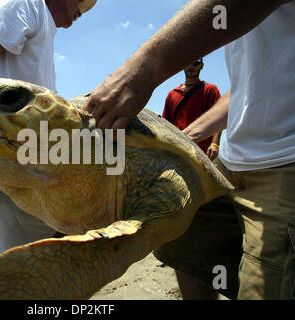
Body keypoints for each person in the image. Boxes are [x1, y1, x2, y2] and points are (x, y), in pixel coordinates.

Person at [83, 0, 294, 299]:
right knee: (182, 242)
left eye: (197, 61)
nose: (193, 65)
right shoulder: (173, 94)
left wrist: (144, 67)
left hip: (284, 159)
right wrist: (182, 138)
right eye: (190, 62)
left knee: (264, 283)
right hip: (226, 166)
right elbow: (246, 90)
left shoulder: (208, 89)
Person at [0, 0, 97, 275]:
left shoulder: (42, 26)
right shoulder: (27, 3)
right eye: (78, 9)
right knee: (43, 265)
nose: (76, 19)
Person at [162, 58, 222, 160]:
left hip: (203, 153)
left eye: (196, 63)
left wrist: (215, 144)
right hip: (177, 149)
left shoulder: (210, 90)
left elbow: (219, 117)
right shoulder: (172, 94)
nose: (191, 67)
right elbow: (165, 124)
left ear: (201, 66)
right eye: (188, 63)